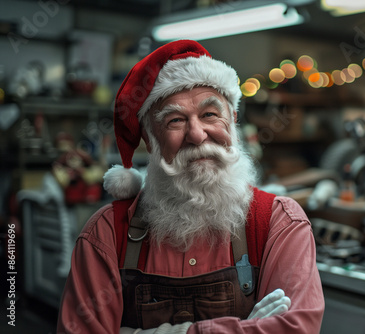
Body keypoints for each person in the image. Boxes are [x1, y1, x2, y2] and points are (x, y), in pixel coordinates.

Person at [57, 39, 324, 334]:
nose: (197, 135)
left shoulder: (280, 223)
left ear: (232, 121)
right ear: (151, 140)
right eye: (175, 120)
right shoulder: (107, 233)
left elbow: (295, 329)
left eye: (210, 114)